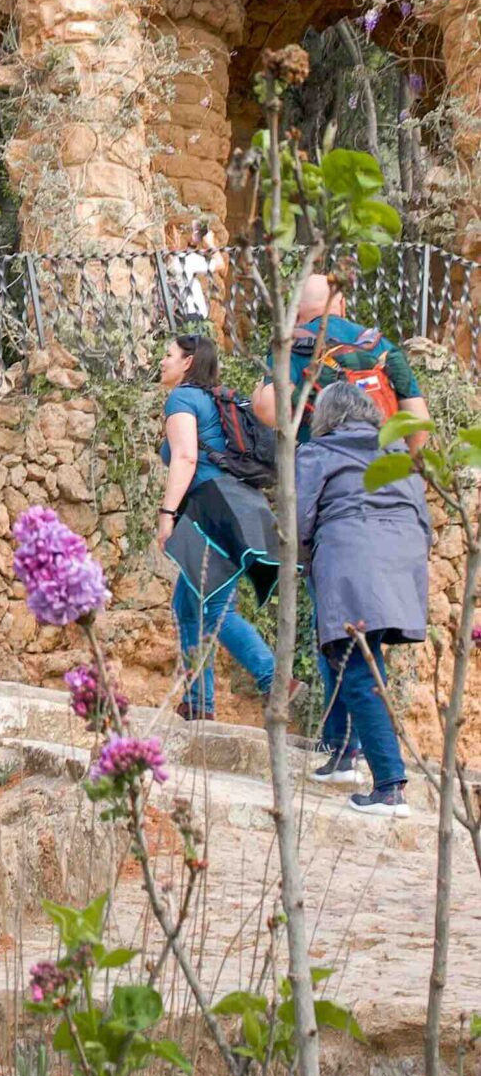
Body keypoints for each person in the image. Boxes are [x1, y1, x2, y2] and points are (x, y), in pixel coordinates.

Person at [297, 381, 430, 814]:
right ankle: (341, 753)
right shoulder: (398, 456)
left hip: (350, 551)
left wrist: (306, 560)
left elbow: (300, 518)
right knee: (354, 653)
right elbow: (423, 519)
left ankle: (389, 786)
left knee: (354, 662)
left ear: (325, 416)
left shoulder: (318, 452)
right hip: (402, 556)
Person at [156, 333, 278, 721]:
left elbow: (186, 457)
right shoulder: (219, 399)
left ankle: (274, 677)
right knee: (189, 604)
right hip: (244, 507)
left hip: (214, 510)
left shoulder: (182, 399)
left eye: (169, 354)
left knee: (214, 610)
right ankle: (199, 703)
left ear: (188, 361)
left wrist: (167, 514)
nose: (163, 361)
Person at [252, 271, 430, 447]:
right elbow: (419, 422)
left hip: (323, 468)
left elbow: (270, 412)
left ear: (296, 312)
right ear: (343, 305)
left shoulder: (290, 347)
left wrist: (259, 389)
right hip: (382, 468)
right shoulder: (380, 345)